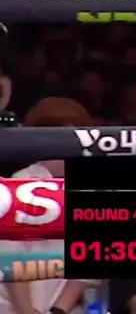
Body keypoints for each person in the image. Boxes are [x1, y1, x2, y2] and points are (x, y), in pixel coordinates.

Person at [0, 98, 97, 314]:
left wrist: (58, 311)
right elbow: (8, 261)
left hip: (64, 306)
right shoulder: (21, 184)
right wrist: (28, 312)